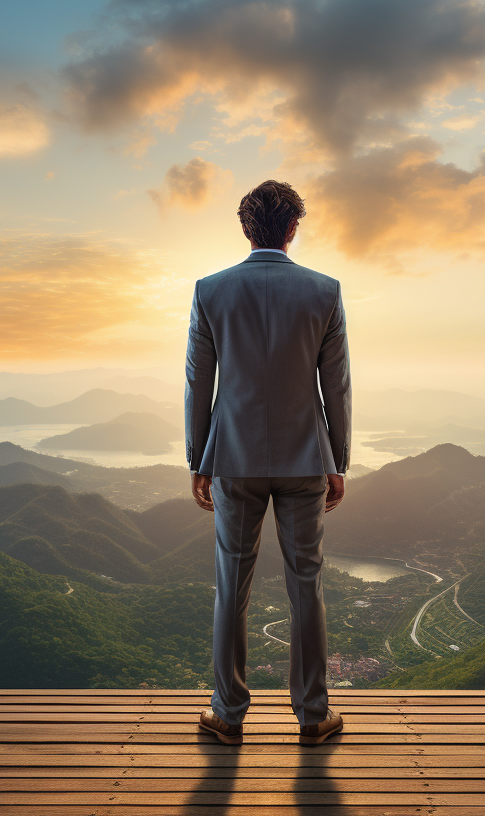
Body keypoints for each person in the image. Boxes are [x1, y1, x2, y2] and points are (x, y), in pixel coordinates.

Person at [185, 179, 351, 746]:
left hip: (233, 457)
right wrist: (339, 459)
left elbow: (197, 383)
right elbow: (338, 386)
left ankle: (227, 715)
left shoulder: (211, 291)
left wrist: (197, 459)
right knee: (306, 582)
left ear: (246, 228)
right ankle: (312, 715)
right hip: (306, 457)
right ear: (293, 229)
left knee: (231, 582)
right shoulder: (324, 292)